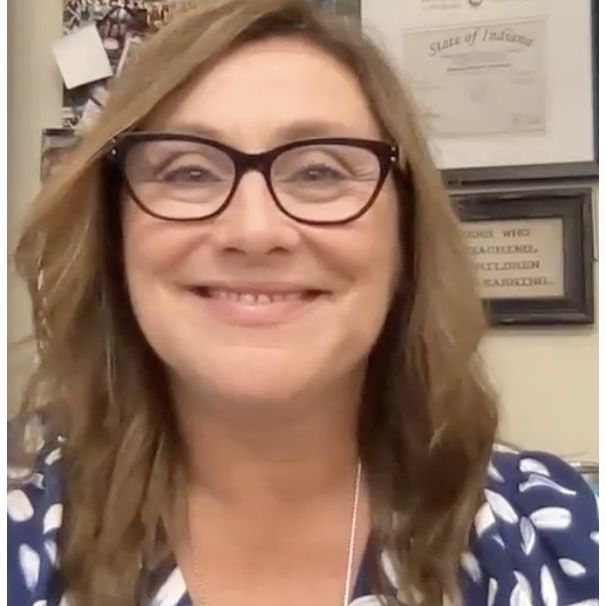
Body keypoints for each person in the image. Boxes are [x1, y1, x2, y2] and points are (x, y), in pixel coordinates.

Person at [8, 1, 598, 605]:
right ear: (113, 233)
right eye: (189, 173)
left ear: (405, 234)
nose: (255, 230)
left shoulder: (559, 540)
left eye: (318, 172)